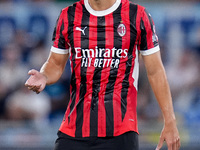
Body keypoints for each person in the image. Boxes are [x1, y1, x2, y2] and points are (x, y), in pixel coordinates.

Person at [25, 0, 181, 149]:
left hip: (120, 132)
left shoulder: (137, 15)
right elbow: (55, 63)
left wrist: (170, 120)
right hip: (74, 130)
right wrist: (44, 76)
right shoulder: (68, 16)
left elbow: (155, 71)